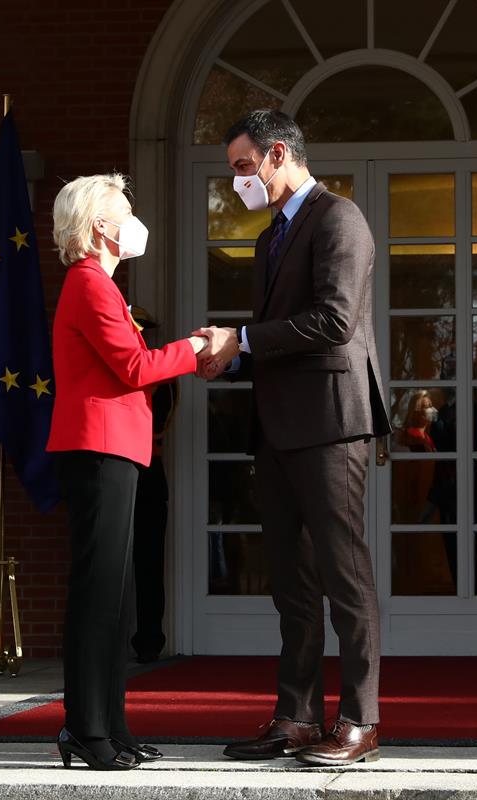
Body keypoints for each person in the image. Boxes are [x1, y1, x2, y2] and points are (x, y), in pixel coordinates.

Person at [196, 109, 390, 767]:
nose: (237, 182)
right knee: (293, 584)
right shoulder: (267, 239)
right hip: (276, 429)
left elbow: (334, 322)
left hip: (332, 426)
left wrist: (244, 339)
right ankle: (298, 717)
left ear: (278, 153)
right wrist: (231, 353)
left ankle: (360, 722)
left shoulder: (340, 220)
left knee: (345, 575)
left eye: (243, 167)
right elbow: (279, 336)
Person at [46, 174, 208, 770]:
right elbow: (134, 366)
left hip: (114, 447)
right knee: (99, 595)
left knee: (116, 597)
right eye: (122, 211)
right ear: (99, 228)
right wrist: (198, 349)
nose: (130, 221)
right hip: (98, 449)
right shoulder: (89, 283)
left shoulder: (101, 286)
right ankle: (85, 729)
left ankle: (108, 728)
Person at [127, 304, 176, 664]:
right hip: (125, 464)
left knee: (148, 560)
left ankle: (148, 638)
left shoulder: (159, 375)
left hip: (146, 466)